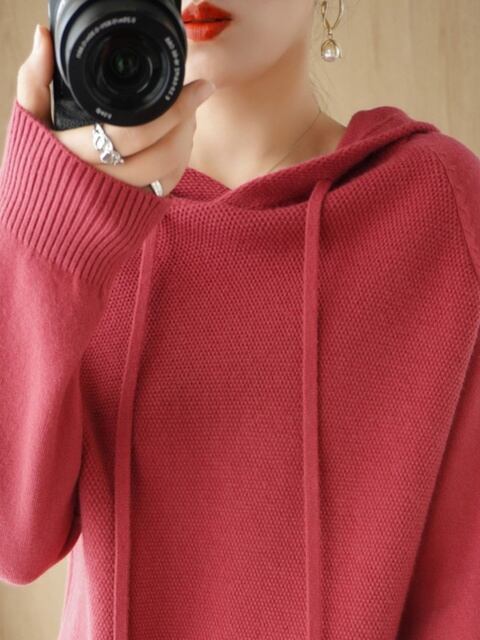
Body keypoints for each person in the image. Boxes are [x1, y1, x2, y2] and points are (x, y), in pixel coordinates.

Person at [1, 1, 480, 639]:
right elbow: (14, 543)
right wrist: (45, 233)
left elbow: (463, 595)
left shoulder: (442, 206)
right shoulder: (77, 210)